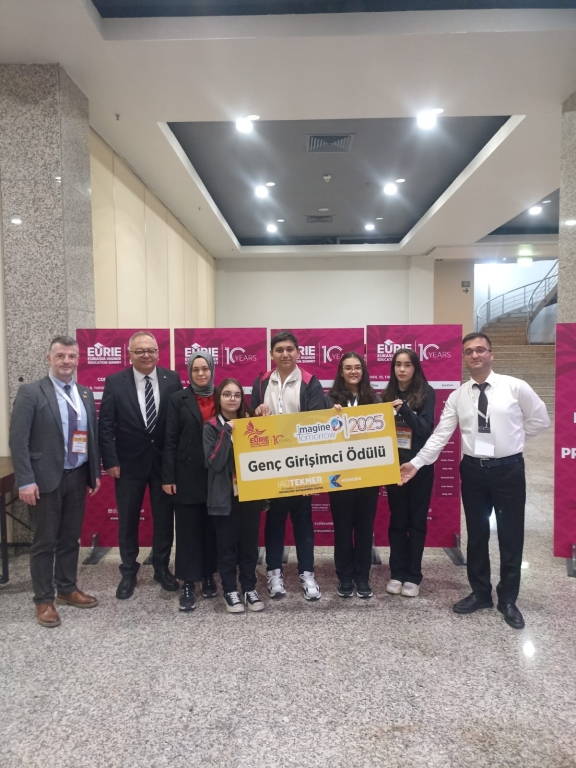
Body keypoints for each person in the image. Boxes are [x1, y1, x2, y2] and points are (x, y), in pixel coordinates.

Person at [399, 332, 550, 629]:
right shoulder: (458, 396)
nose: (475, 355)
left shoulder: (515, 387)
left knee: (510, 536)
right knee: (477, 534)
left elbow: (540, 419)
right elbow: (440, 435)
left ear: (491, 354)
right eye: (469, 351)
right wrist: (416, 463)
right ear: (464, 357)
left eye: (480, 350)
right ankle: (480, 593)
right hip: (473, 471)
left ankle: (508, 599)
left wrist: (513, 441)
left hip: (508, 470)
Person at [9, 336, 100, 628]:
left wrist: (93, 473)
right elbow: (18, 441)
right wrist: (25, 481)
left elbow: (90, 436)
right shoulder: (31, 392)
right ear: (49, 359)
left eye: (71, 356)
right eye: (60, 356)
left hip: (77, 476)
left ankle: (67, 588)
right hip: (44, 480)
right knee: (44, 541)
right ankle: (43, 599)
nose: (66, 361)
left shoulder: (84, 393)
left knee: (70, 539)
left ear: (78, 360)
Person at [99, 331, 182, 600]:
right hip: (127, 465)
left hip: (163, 465)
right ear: (130, 354)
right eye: (140, 351)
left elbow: (177, 423)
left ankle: (161, 567)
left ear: (158, 353)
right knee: (127, 519)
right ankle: (128, 571)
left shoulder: (172, 379)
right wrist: (110, 461)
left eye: (151, 350)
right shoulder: (115, 382)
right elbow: (105, 425)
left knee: (164, 520)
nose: (146, 355)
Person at [250, 330, 325, 601]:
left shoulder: (310, 382)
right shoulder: (261, 382)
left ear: (298, 353)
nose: (285, 354)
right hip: (271, 466)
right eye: (279, 349)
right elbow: (250, 423)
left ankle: (307, 573)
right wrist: (257, 413)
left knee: (303, 521)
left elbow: (317, 425)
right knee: (275, 520)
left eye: (290, 349)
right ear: (271, 354)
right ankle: (274, 573)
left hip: (302, 464)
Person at [162, 352, 218, 612]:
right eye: (196, 369)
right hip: (186, 476)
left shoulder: (223, 395)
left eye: (205, 368)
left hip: (216, 476)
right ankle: (187, 582)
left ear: (212, 370)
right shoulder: (178, 399)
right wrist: (168, 477)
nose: (201, 373)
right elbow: (170, 439)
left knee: (211, 529)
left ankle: (207, 575)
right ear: (189, 372)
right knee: (187, 532)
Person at [204, 378, 265, 613]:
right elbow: (214, 463)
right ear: (219, 398)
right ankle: (230, 590)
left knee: (249, 546)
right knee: (227, 547)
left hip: (249, 495)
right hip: (223, 497)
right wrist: (227, 432)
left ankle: (249, 588)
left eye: (237, 395)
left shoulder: (250, 423)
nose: (232, 399)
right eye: (227, 394)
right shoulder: (211, 427)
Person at [325, 352, 381, 599]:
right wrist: (330, 417)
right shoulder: (329, 400)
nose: (353, 371)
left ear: (363, 371)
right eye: (348, 367)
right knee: (343, 528)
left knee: (365, 528)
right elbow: (320, 436)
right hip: (340, 476)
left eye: (357, 367)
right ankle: (345, 577)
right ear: (341, 371)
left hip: (368, 475)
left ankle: (362, 577)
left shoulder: (375, 399)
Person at [381, 348, 435, 598]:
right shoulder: (386, 395)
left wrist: (405, 410)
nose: (402, 369)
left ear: (415, 368)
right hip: (394, 467)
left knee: (417, 522)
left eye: (407, 365)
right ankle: (396, 572)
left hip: (419, 467)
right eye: (398, 365)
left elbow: (424, 429)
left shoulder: (426, 392)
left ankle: (413, 576)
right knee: (397, 521)